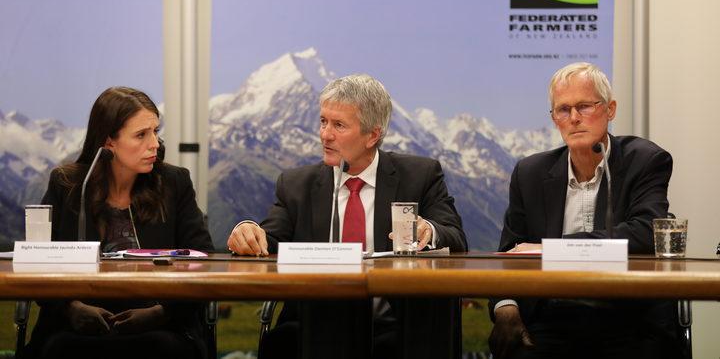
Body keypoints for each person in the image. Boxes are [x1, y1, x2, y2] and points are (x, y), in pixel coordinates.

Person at [227, 74, 467, 358]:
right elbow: (271, 237)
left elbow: (455, 237)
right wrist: (248, 229)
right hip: (317, 318)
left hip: (392, 318)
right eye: (323, 121)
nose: (325, 134)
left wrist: (428, 229)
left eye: (339, 125)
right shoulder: (296, 185)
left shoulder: (420, 175)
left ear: (372, 135)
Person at [488, 63, 680, 359]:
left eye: (585, 106)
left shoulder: (644, 160)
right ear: (554, 119)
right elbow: (511, 252)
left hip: (628, 316)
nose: (574, 118)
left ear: (610, 109)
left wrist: (550, 250)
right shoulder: (530, 172)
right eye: (563, 110)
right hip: (554, 316)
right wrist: (506, 308)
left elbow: (646, 232)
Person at [23, 87, 214, 359]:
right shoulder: (68, 185)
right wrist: (70, 308)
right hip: (74, 329)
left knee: (163, 349)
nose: (155, 144)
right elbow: (38, 264)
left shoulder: (174, 183)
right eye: (141, 135)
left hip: (163, 327)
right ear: (109, 142)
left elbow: (203, 262)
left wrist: (161, 312)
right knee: (61, 350)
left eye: (155, 131)